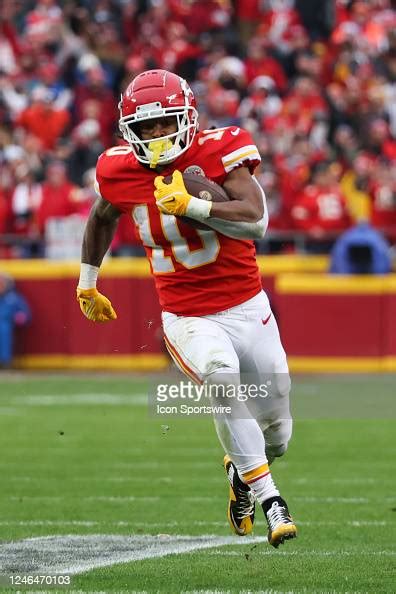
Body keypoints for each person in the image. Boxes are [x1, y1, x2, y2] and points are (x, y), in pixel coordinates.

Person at [76, 69, 297, 548]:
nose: (156, 136)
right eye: (146, 127)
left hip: (248, 307)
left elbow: (256, 221)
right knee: (221, 378)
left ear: (188, 118)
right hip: (187, 316)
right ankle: (269, 499)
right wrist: (87, 282)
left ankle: (242, 473)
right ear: (128, 129)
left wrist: (195, 206)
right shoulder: (118, 169)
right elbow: (101, 215)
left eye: (164, 124)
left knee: (279, 432)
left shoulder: (222, 149)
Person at [0, 273, 30, 368]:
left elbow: (26, 314)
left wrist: (21, 317)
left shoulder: (13, 298)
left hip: (7, 324)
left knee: (4, 329)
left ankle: (5, 361)